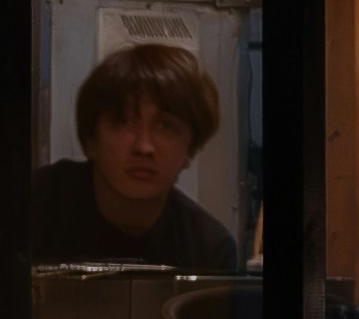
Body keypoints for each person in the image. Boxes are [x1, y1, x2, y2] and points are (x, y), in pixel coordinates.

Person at [27, 39, 245, 271]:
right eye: (123, 122)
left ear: (190, 150)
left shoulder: (208, 249)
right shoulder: (31, 205)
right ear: (91, 140)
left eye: (167, 126)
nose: (144, 147)